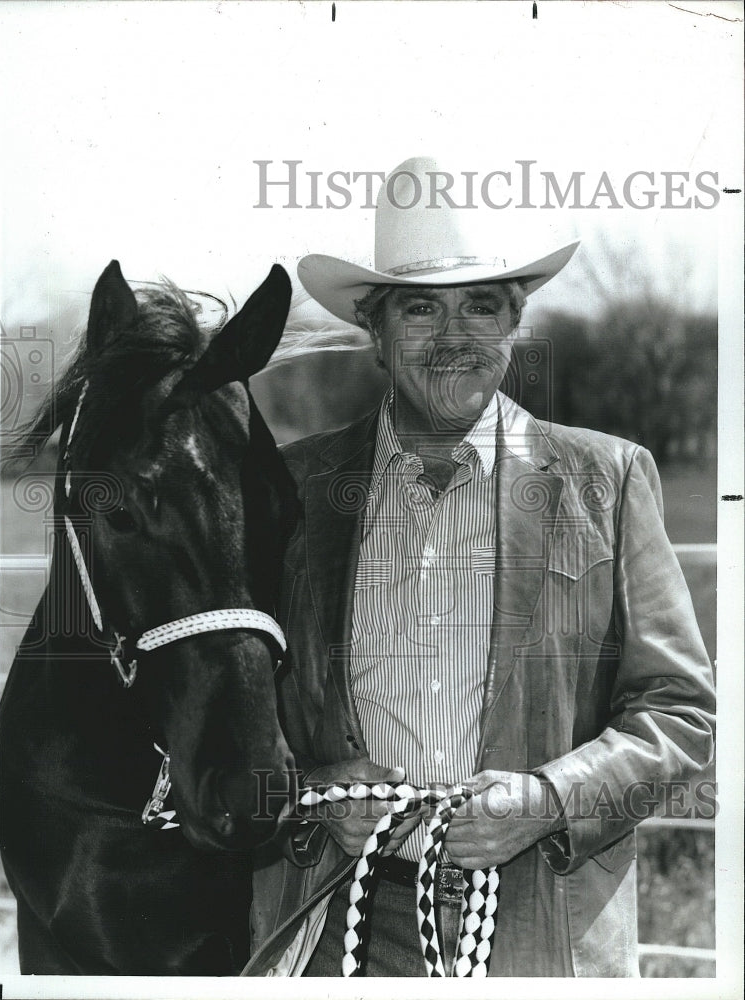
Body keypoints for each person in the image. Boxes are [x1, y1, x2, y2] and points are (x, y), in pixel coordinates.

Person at [245, 156, 715, 977]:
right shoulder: (290, 490)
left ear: (514, 324)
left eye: (481, 307)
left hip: (541, 926)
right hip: (330, 920)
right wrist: (311, 790)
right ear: (377, 335)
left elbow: (680, 715)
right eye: (421, 309)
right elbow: (224, 703)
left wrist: (548, 801)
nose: (453, 336)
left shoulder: (605, 480)